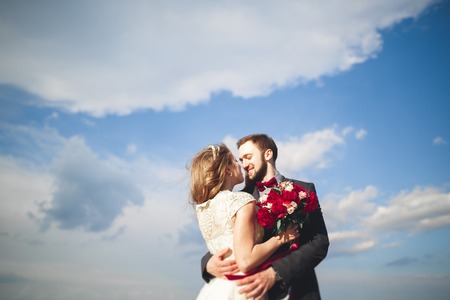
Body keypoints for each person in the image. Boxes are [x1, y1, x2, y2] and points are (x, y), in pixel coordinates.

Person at [201, 134, 329, 299]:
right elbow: (226, 237)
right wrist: (207, 264)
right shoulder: (239, 199)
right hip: (251, 292)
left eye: (248, 157)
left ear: (268, 155)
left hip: (298, 289)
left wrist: (276, 272)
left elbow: (320, 242)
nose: (244, 165)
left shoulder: (304, 189)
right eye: (241, 160)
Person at [191, 144, 299, 299]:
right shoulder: (242, 200)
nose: (241, 165)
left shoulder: (203, 209)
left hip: (215, 289)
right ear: (227, 170)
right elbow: (246, 261)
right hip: (243, 288)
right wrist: (282, 237)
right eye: (236, 160)